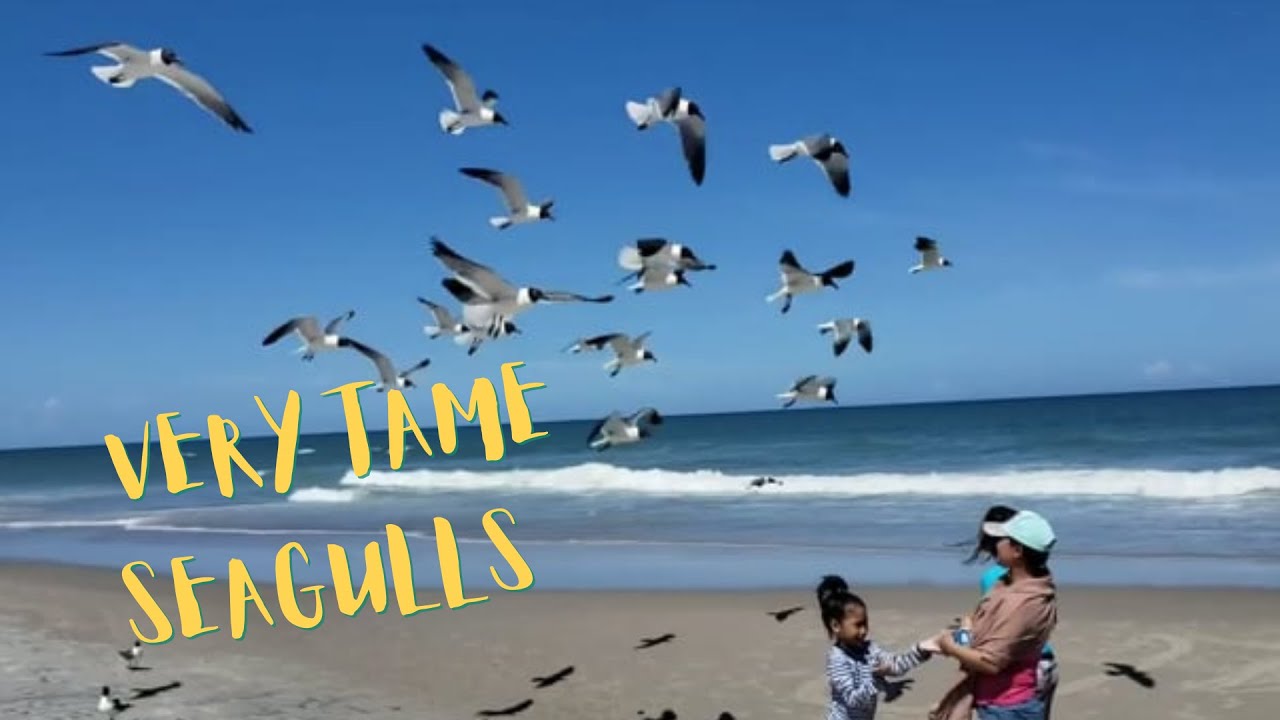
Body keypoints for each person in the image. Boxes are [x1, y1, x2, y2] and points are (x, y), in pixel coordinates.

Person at [929, 510, 1059, 720]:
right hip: (1003, 701)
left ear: (1017, 550)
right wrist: (966, 631)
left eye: (1001, 540)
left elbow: (991, 663)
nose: (995, 544)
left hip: (1008, 706)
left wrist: (949, 646)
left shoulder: (1022, 603)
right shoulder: (1020, 584)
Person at [817, 574, 933, 720]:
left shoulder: (870, 649)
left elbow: (894, 665)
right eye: (858, 625)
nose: (864, 630)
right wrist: (875, 679)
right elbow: (853, 699)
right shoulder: (837, 659)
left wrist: (920, 652)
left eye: (865, 623)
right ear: (835, 625)